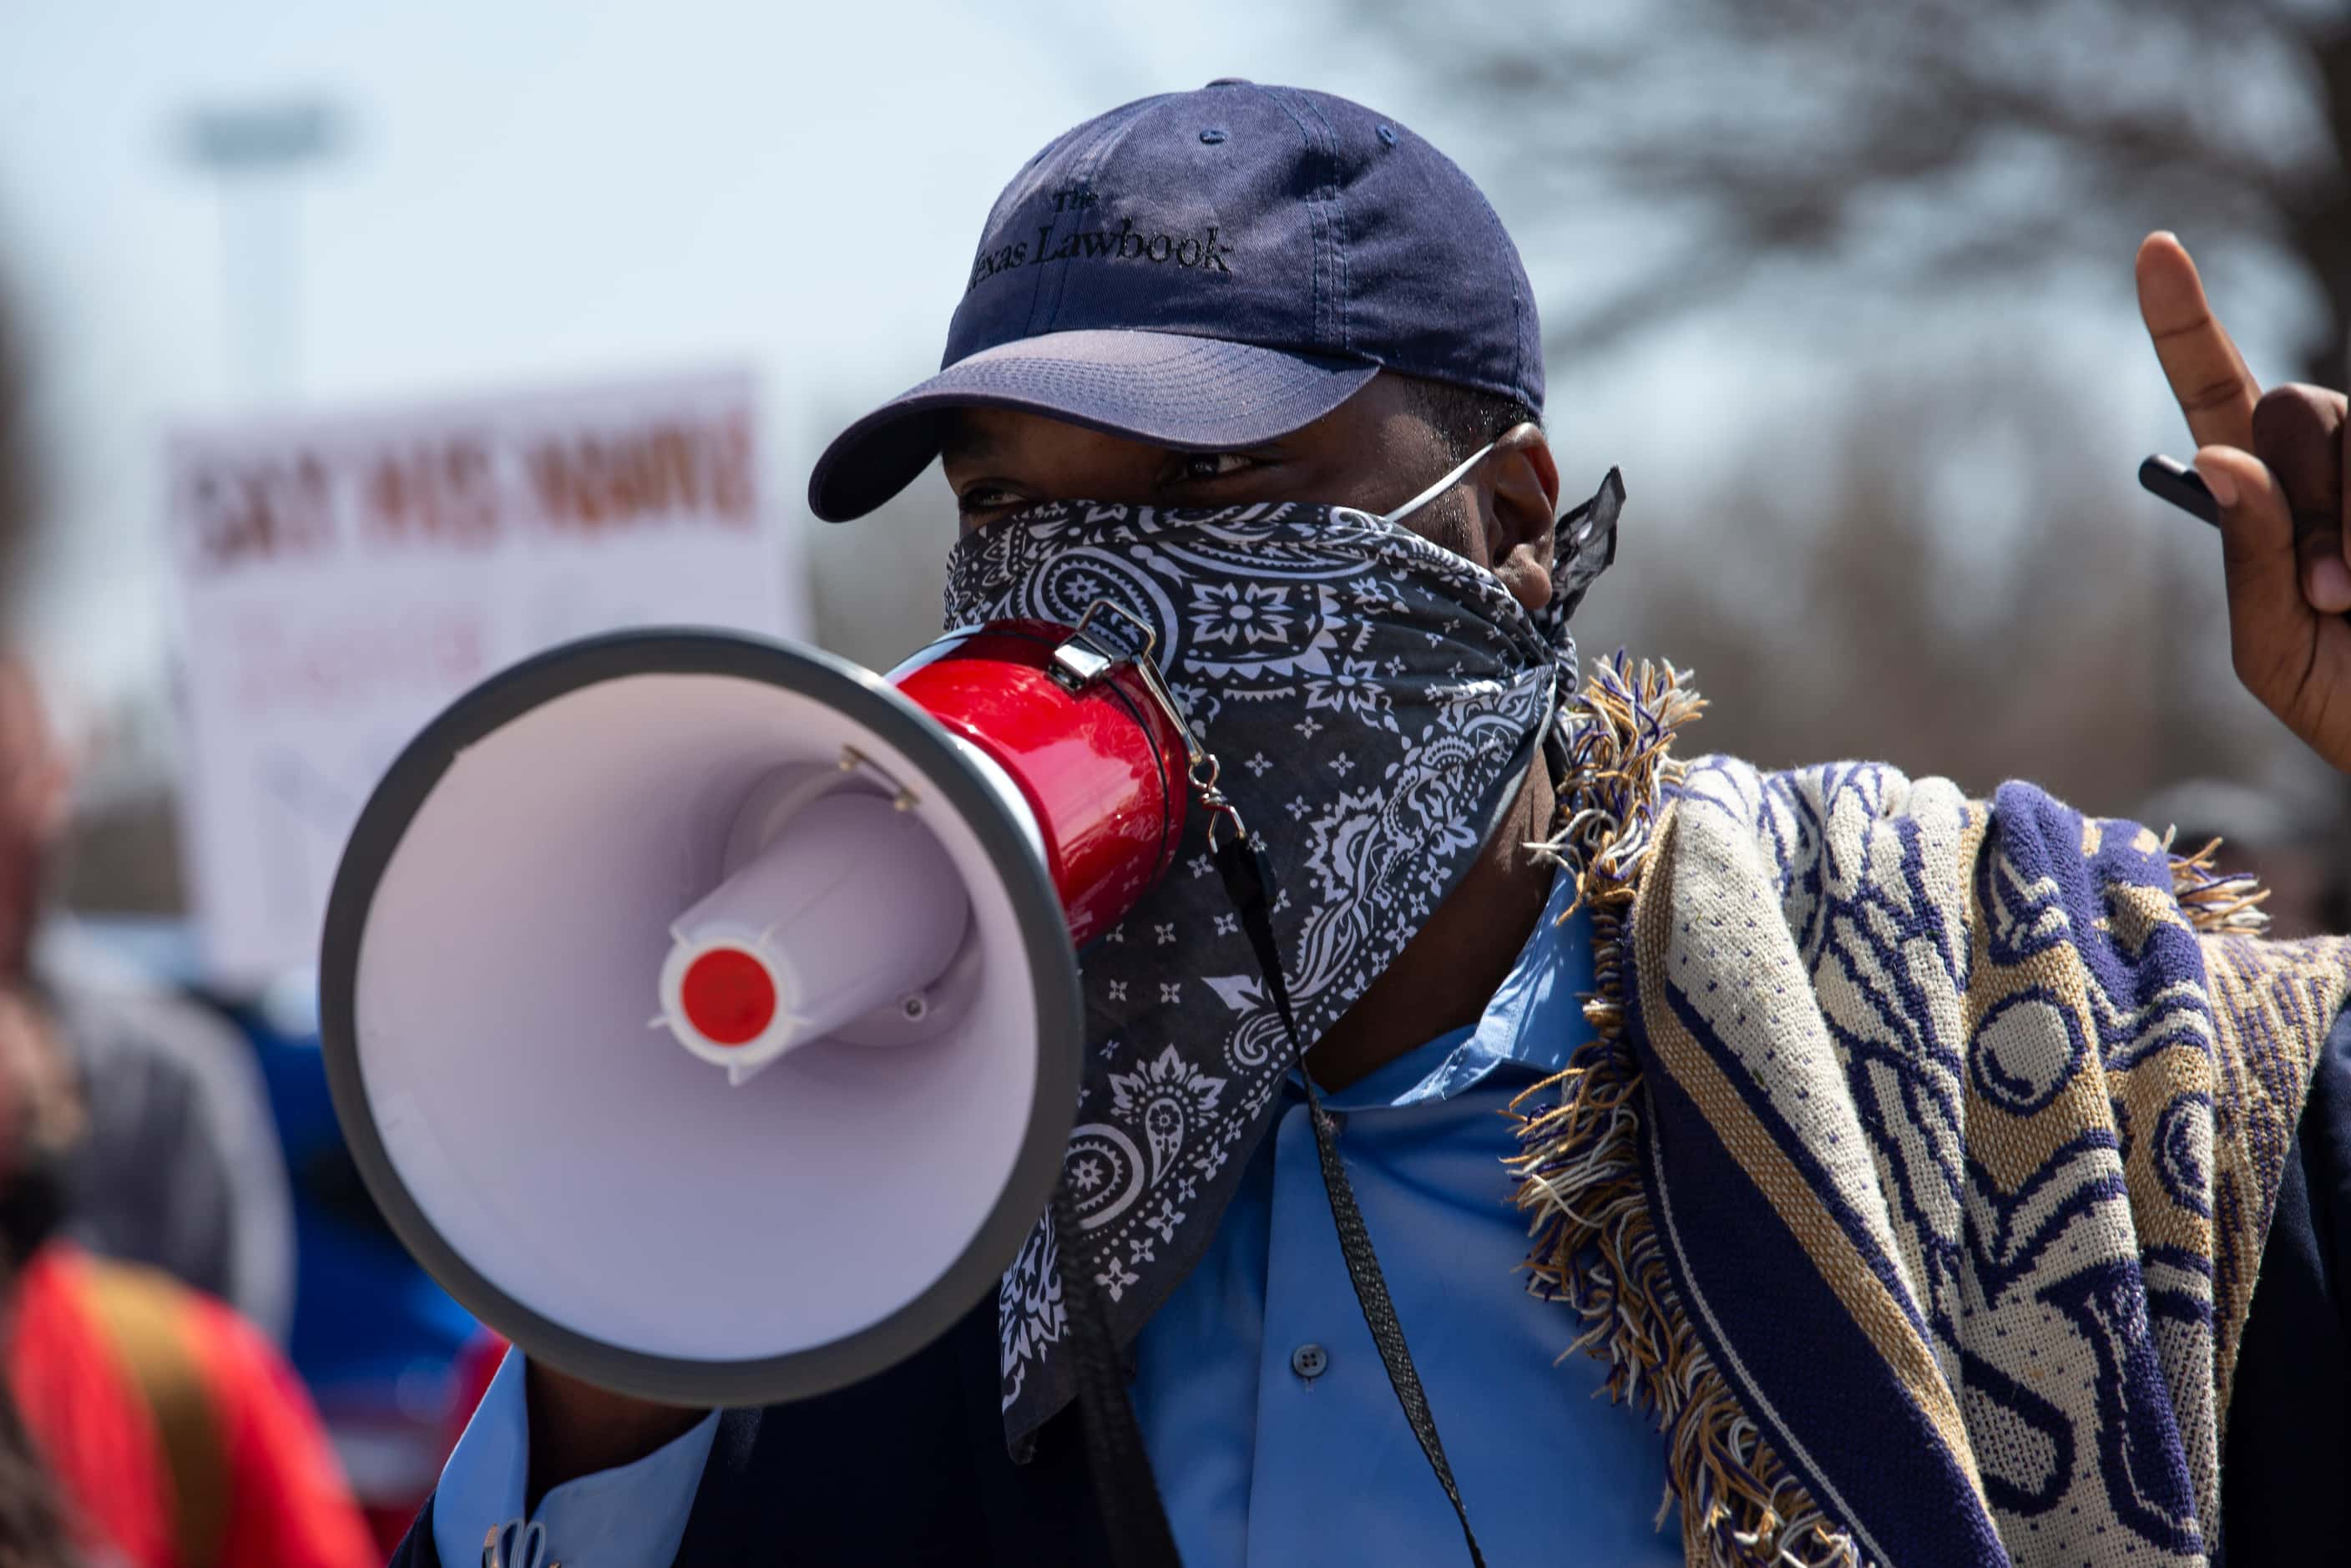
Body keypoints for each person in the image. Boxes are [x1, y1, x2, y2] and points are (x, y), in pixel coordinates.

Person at [395, 83, 2351, 1567]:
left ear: (1511, 521)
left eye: (1222, 480)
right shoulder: (891, 1206)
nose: (1094, 598)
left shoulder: (1940, 1033)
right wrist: (630, 1272)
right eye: (1009, 518)